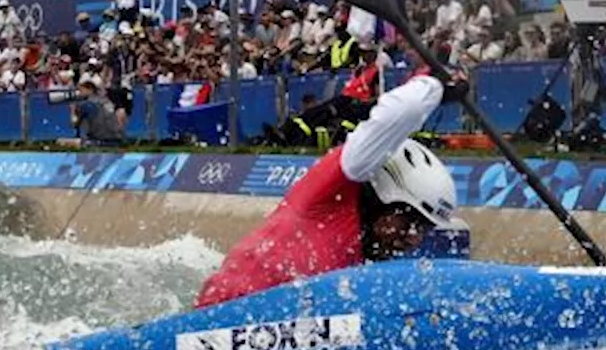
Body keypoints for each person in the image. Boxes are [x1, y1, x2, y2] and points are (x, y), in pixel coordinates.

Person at [194, 72, 465, 309]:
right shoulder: (333, 186)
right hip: (219, 313)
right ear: (382, 197)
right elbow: (401, 111)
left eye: (424, 229)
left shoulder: (363, 255)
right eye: (410, 222)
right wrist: (436, 87)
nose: (414, 239)